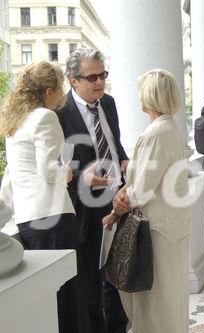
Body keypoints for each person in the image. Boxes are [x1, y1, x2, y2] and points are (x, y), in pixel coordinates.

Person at [0, 61, 90, 332]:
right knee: (69, 294)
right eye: (60, 88)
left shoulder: (15, 124)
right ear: (49, 90)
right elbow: (48, 170)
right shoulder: (44, 117)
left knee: (48, 297)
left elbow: (11, 177)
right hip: (53, 216)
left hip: (28, 218)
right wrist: (68, 173)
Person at [102, 69, 191, 332]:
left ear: (150, 96)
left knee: (155, 304)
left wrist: (117, 208)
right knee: (169, 300)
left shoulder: (156, 133)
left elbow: (141, 189)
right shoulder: (169, 128)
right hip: (170, 226)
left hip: (157, 229)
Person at [58, 47, 128, 333]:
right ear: (73, 80)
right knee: (91, 283)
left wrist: (124, 162)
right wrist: (80, 179)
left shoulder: (108, 103)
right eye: (92, 77)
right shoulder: (60, 114)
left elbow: (114, 141)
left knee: (119, 275)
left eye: (103, 75)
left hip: (118, 199)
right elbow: (59, 167)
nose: (100, 82)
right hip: (87, 209)